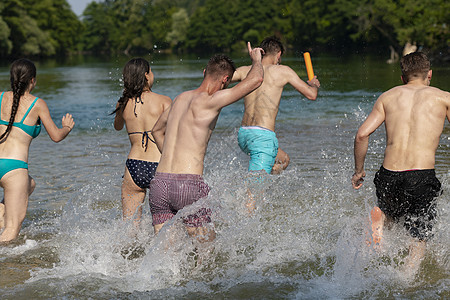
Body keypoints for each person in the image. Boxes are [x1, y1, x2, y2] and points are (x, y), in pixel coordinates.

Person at [150, 43, 264, 241]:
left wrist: (170, 157)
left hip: (159, 183)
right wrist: (256, 60)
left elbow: (156, 130)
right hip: (188, 185)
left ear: (204, 72)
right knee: (207, 249)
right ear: (226, 79)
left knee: (163, 254)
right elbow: (256, 79)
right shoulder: (213, 99)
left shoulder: (179, 98)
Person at [352, 52, 450, 271]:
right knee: (419, 237)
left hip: (389, 174)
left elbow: (361, 135)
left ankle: (380, 221)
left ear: (402, 77)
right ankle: (405, 280)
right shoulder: (444, 98)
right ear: (430, 74)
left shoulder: (387, 97)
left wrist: (359, 171)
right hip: (421, 176)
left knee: (391, 214)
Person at [0, 58, 74, 243]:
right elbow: (56, 136)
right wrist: (66, 127)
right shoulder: (37, 103)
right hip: (14, 168)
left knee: (30, 185)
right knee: (12, 229)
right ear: (32, 80)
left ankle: (3, 210)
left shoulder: (1, 97)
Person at [232, 36, 320, 174]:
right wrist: (314, 85)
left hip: (244, 136)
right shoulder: (283, 71)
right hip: (262, 137)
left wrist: (255, 62)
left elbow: (223, 78)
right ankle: (254, 191)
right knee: (254, 191)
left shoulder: (246, 70)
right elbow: (311, 95)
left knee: (283, 160)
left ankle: (264, 187)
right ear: (278, 54)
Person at [112, 58, 171, 223]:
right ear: (146, 75)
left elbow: (117, 126)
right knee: (163, 226)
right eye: (151, 72)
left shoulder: (123, 102)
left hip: (133, 167)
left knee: (129, 228)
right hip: (159, 165)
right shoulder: (164, 101)